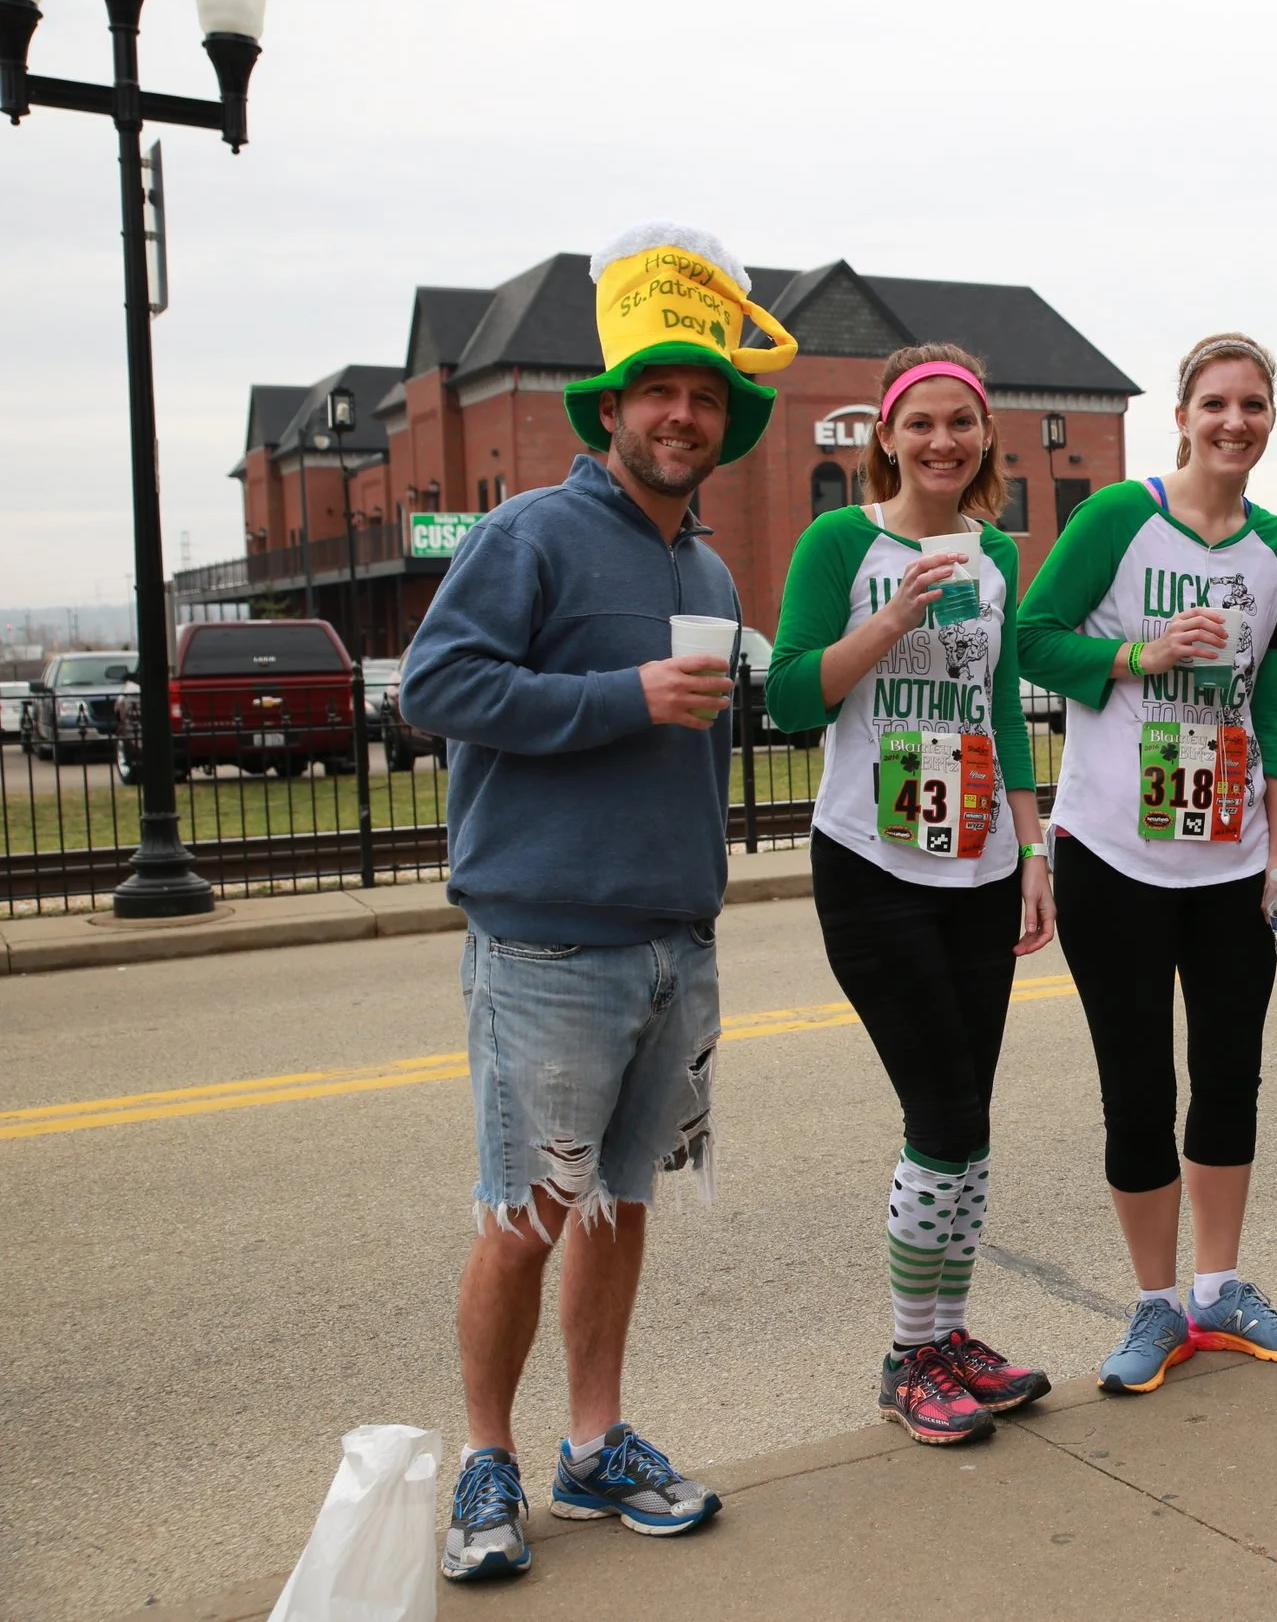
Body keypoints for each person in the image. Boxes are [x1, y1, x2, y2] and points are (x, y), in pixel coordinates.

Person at [402, 222, 794, 1581]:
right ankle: (487, 1459)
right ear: (615, 405)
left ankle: (594, 1439)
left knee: (622, 1197)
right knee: (529, 1206)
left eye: (706, 399)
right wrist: (616, 697)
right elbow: (435, 689)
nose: (683, 416)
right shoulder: (531, 535)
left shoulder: (707, 571)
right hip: (548, 941)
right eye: (661, 393)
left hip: (671, 942)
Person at [1017, 333, 1277, 1393]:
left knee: (1229, 1077)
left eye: (1252, 404)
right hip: (1111, 852)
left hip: (1233, 860)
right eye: (1214, 403)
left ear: (1269, 416)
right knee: (1139, 1087)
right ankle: (1153, 1306)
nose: (1233, 421)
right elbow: (1032, 637)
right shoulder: (1117, 517)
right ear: (1183, 415)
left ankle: (1219, 1286)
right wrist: (1133, 655)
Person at [764, 344, 1055, 1445]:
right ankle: (904, 1354)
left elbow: (1005, 715)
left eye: (962, 423)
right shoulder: (841, 540)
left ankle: (949, 1336)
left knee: (967, 1120)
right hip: (873, 861)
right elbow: (791, 696)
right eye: (920, 422)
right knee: (938, 1113)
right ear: (884, 434)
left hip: (978, 861)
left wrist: (1035, 853)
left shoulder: (997, 556)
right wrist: (887, 621)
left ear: (985, 439)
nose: (942, 440)